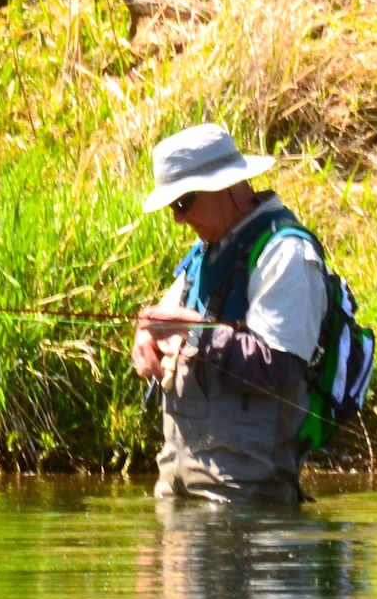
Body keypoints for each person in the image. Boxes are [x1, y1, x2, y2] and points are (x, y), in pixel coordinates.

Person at [132, 123, 327, 504]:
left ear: (224, 185)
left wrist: (195, 332)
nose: (178, 219)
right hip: (177, 488)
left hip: (245, 503)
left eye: (183, 203)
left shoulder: (285, 255)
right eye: (173, 207)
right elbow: (162, 319)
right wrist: (146, 335)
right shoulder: (205, 255)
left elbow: (280, 366)